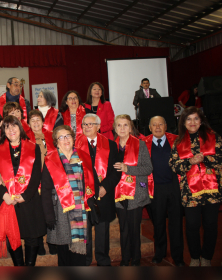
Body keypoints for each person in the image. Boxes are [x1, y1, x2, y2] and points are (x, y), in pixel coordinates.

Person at [0, 116, 46, 266]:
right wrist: (4, 195)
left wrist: (25, 196)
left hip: (28, 200)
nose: (11, 130)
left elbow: (36, 176)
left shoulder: (33, 147)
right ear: (3, 131)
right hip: (8, 201)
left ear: (20, 128)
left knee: (32, 236)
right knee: (12, 236)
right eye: (7, 127)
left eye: (14, 126)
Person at [169, 107, 222, 267]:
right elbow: (173, 165)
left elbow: (219, 159)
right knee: (192, 225)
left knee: (211, 224)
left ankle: (206, 257)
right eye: (188, 119)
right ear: (183, 122)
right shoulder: (178, 142)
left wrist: (205, 159)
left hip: (212, 191)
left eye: (196, 119)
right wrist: (189, 162)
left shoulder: (214, 137)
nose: (192, 122)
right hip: (189, 193)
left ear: (201, 121)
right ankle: (194, 256)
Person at [41, 125, 96, 266]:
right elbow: (46, 190)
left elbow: (92, 181)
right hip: (60, 210)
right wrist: (49, 215)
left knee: (79, 254)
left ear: (73, 138)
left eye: (68, 136)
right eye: (61, 137)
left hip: (81, 209)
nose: (65, 139)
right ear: (56, 141)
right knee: (64, 252)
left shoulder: (84, 156)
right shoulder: (50, 159)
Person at [74, 113, 121, 266]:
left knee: (102, 231)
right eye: (84, 124)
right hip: (83, 194)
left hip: (103, 194)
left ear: (99, 126)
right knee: (85, 231)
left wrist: (105, 187)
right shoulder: (75, 145)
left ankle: (103, 261)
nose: (87, 127)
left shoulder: (111, 145)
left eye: (90, 124)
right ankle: (85, 261)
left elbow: (116, 171)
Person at [144, 116, 184, 266]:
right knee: (158, 223)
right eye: (154, 124)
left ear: (166, 126)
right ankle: (159, 253)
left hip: (175, 187)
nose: (158, 127)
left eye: (161, 124)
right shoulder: (144, 143)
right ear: (150, 128)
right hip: (155, 188)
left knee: (176, 223)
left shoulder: (177, 140)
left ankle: (178, 256)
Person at [113, 114, 152, 266]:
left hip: (135, 193)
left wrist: (127, 168)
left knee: (134, 229)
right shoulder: (111, 146)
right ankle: (124, 258)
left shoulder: (140, 145)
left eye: (125, 125)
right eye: (119, 125)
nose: (122, 128)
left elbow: (148, 169)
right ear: (115, 128)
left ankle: (135, 259)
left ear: (131, 127)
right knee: (123, 229)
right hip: (118, 194)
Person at [27, 109, 57, 256]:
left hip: (52, 178)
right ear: (28, 124)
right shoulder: (25, 138)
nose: (36, 123)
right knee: (37, 214)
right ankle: (39, 244)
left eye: (38, 120)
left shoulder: (52, 136)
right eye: (32, 120)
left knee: (51, 211)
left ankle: (53, 242)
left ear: (43, 122)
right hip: (34, 179)